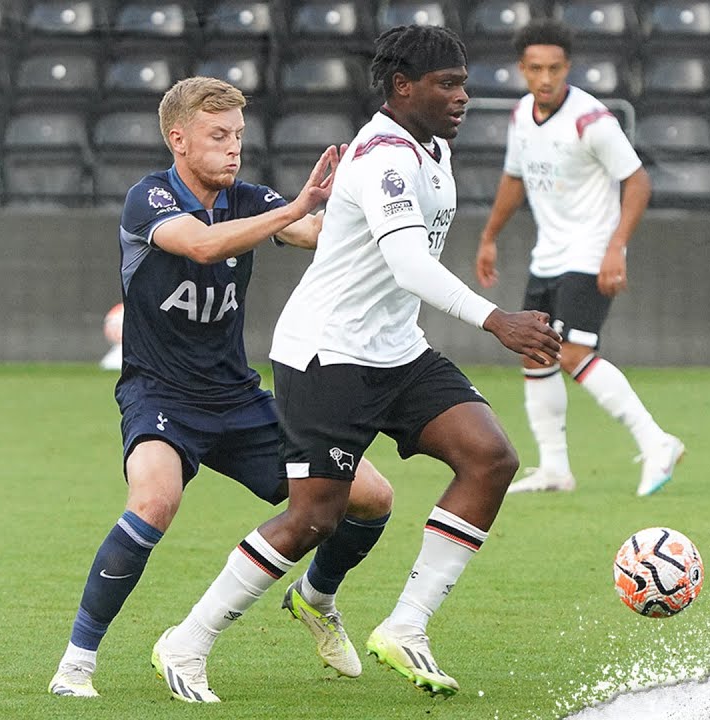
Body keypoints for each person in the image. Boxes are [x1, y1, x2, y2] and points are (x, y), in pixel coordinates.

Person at [150, 26, 563, 702]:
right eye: (446, 84)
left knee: (490, 458)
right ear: (403, 87)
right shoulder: (382, 158)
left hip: (397, 349)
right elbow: (407, 262)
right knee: (314, 518)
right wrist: (497, 320)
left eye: (463, 82)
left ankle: (405, 625)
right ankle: (187, 641)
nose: (463, 96)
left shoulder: (433, 147)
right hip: (328, 354)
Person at [49, 77, 395, 698]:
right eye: (219, 135)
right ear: (179, 140)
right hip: (160, 396)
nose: (234, 147)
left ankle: (317, 599)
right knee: (154, 501)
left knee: (370, 495)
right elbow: (203, 246)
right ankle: (76, 663)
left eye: (238, 134)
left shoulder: (249, 198)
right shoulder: (146, 199)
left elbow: (317, 237)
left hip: (238, 398)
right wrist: (292, 209)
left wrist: (375, 215)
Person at [474, 19, 685, 497]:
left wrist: (616, 247)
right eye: (534, 69)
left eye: (553, 68)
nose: (544, 78)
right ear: (521, 70)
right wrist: (489, 236)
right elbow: (513, 178)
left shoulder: (592, 120)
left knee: (571, 353)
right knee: (535, 354)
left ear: (567, 67)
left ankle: (657, 441)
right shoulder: (521, 115)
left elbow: (638, 181)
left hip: (590, 250)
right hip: (547, 253)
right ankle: (554, 470)